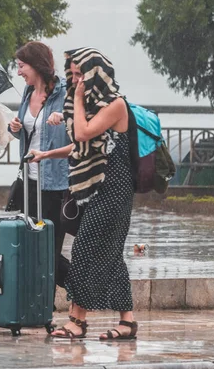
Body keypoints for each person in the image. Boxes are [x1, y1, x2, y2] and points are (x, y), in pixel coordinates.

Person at [28, 47, 138, 340]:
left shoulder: (116, 105)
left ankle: (78, 320)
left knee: (84, 249)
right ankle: (127, 322)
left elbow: (82, 133)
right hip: (93, 189)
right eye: (73, 74)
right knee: (112, 255)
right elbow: (79, 148)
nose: (75, 80)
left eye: (81, 74)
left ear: (96, 75)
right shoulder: (89, 108)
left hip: (114, 189)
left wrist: (76, 99)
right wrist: (47, 154)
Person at [7, 41, 70, 302]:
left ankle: (46, 302)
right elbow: (30, 133)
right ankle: (76, 283)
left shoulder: (65, 93)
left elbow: (79, 129)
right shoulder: (26, 93)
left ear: (36, 65)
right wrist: (15, 127)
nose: (19, 72)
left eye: (22, 66)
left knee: (50, 248)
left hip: (56, 182)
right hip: (29, 181)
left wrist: (64, 118)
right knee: (33, 244)